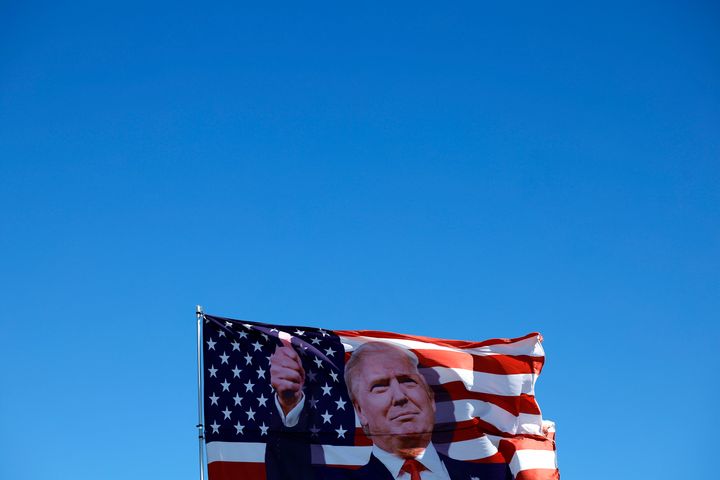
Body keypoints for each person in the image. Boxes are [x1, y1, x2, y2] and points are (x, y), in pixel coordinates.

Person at [267, 341, 512, 480]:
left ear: (431, 399)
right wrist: (289, 405)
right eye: (380, 387)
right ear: (360, 411)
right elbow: (287, 471)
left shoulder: (493, 476)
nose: (400, 397)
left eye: (408, 381)